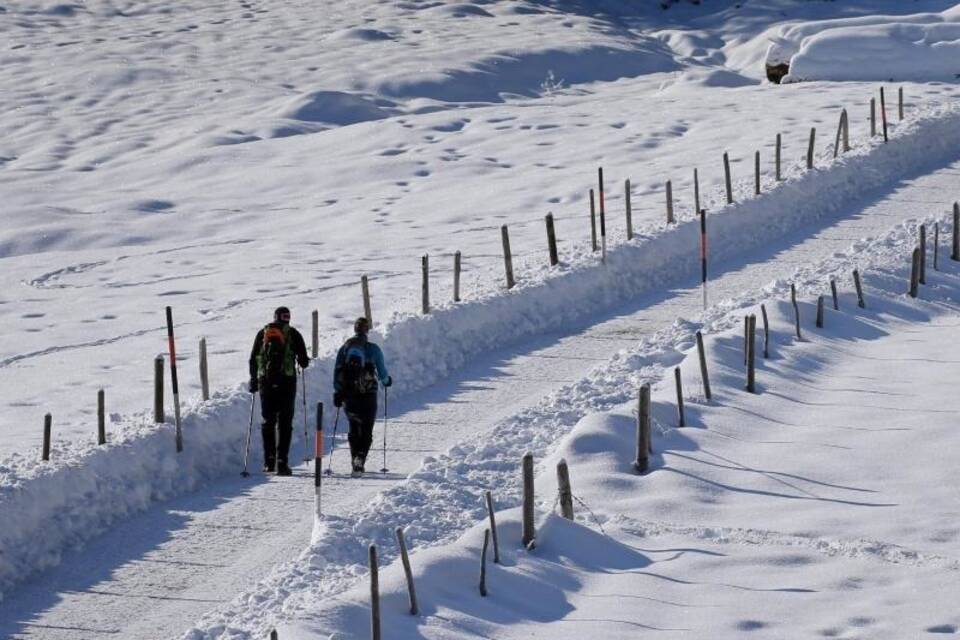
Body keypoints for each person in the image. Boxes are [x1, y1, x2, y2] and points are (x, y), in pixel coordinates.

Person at [249, 306, 309, 476]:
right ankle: (282, 462)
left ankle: (269, 462)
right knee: (285, 422)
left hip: (265, 382)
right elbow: (304, 362)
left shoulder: (263, 333)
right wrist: (300, 359)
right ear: (288, 318)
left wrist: (254, 379)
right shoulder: (294, 334)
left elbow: (253, 358)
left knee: (268, 420)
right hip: (287, 382)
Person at [333, 317, 392, 477]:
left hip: (349, 395)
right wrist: (387, 382)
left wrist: (338, 391)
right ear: (367, 330)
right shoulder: (373, 349)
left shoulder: (345, 348)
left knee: (353, 428)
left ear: (355, 329)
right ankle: (360, 459)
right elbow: (382, 373)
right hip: (368, 394)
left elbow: (337, 371)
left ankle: (354, 462)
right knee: (366, 429)